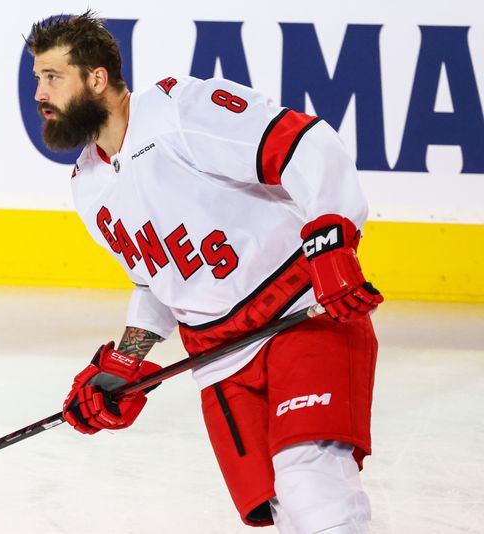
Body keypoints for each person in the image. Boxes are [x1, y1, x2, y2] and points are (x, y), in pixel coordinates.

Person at [26, 11, 383, 534]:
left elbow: (305, 143)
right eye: (38, 78)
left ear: (96, 79)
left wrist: (332, 240)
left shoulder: (177, 110)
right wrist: (125, 360)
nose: (40, 93)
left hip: (298, 315)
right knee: (287, 510)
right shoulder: (88, 184)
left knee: (313, 487)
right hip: (218, 359)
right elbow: (157, 280)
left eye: (52, 77)